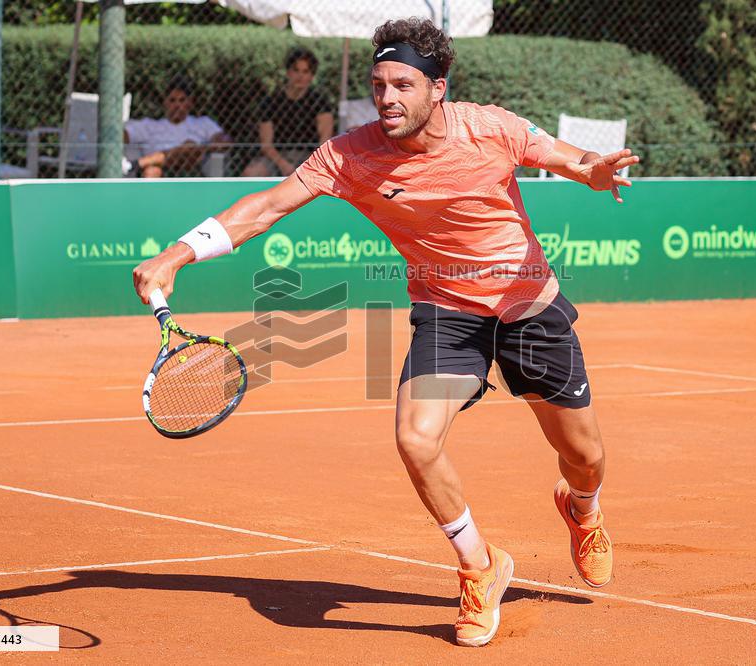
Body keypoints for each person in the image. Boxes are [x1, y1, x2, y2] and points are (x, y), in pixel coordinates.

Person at [134, 18, 638, 648]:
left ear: (439, 88)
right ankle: (481, 567)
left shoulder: (491, 127)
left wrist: (595, 171)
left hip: (527, 306)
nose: (388, 98)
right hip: (447, 312)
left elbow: (568, 157)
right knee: (414, 436)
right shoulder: (350, 154)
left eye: (403, 84)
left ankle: (582, 511)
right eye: (379, 85)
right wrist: (178, 253)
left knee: (584, 458)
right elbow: (265, 207)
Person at [241, 48, 333, 177]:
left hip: (310, 156)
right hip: (277, 156)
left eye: (305, 71)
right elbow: (266, 145)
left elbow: (324, 141)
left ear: (311, 76)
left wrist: (309, 165)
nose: (300, 76)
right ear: (288, 72)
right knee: (251, 172)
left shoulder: (320, 102)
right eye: (296, 70)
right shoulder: (271, 101)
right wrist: (283, 164)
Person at [124, 77, 228, 178]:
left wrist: (203, 147)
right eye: (172, 100)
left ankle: (136, 164)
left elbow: (224, 140)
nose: (177, 105)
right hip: (160, 169)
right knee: (151, 172)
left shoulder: (203, 123)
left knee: (190, 146)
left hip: (193, 168)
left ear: (190, 102)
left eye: (182, 100)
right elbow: (123, 136)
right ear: (165, 102)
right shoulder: (150, 125)